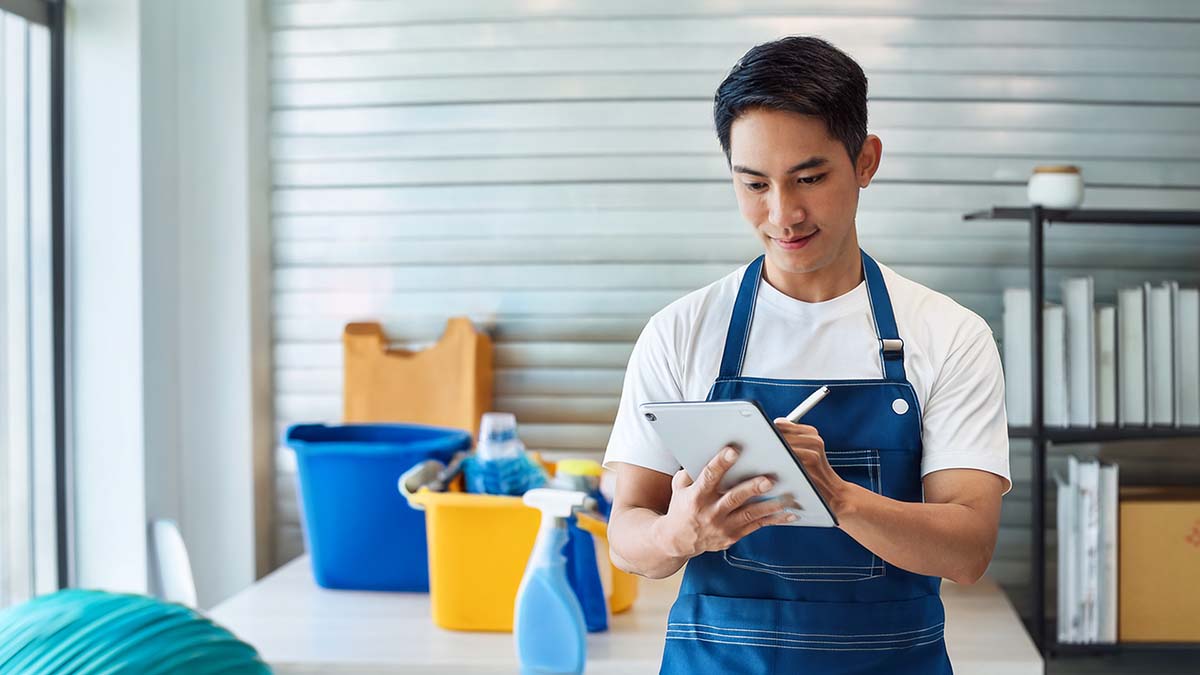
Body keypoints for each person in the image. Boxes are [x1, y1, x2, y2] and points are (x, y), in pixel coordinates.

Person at [603, 36, 1011, 674]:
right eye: (755, 184)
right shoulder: (680, 332)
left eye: (810, 178)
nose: (783, 214)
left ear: (866, 161)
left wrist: (838, 498)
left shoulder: (949, 334)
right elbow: (627, 533)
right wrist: (675, 535)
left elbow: (969, 550)